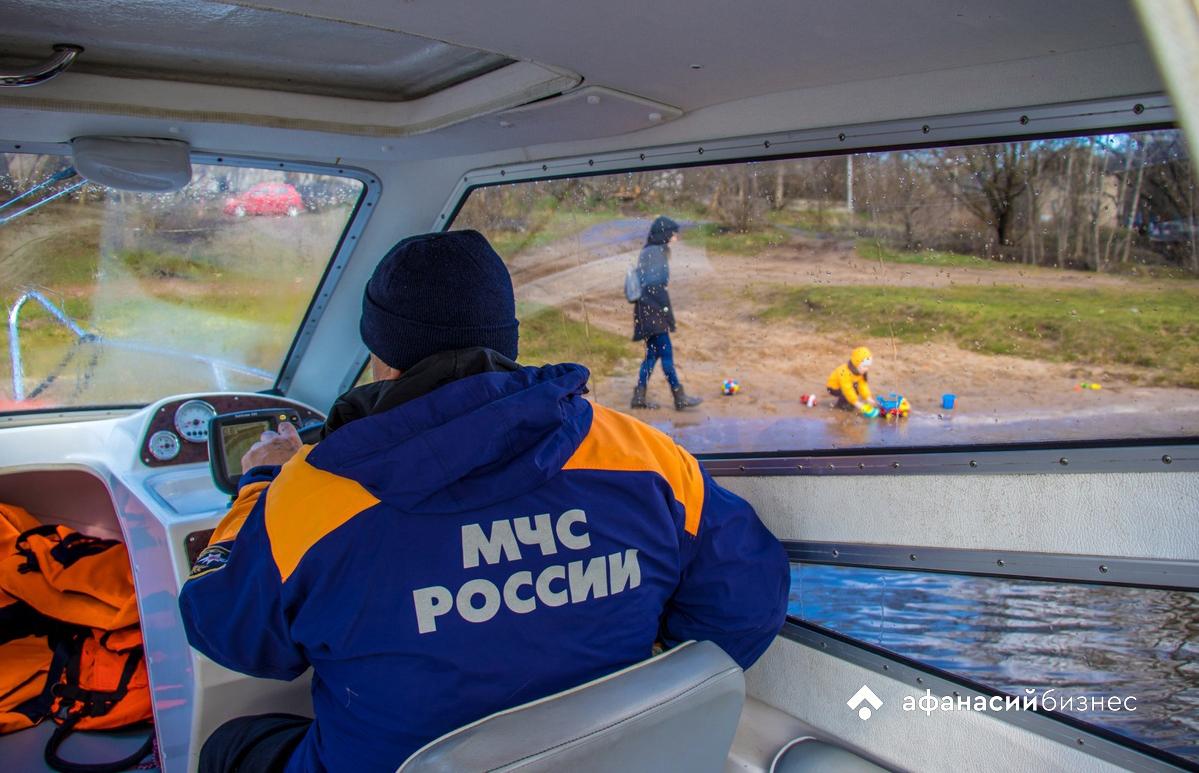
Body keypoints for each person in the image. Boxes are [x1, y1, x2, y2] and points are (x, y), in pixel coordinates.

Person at [178, 230, 790, 773]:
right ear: (505, 338)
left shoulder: (310, 497)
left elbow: (227, 633)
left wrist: (258, 486)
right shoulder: (644, 457)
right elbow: (746, 600)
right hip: (607, 757)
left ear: (381, 355)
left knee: (232, 745)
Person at [630, 216, 703, 411]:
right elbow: (655, 288)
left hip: (645, 310)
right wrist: (668, 316)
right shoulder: (656, 253)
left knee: (652, 356)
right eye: (673, 234)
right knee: (667, 355)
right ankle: (679, 397)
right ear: (665, 234)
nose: (676, 238)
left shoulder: (649, 251)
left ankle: (639, 396)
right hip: (654, 311)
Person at [827, 346, 879, 417]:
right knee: (847, 393)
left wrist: (868, 398)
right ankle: (841, 405)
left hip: (846, 385)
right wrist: (857, 403)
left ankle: (848, 401)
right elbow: (847, 389)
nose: (866, 369)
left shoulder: (860, 372)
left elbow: (863, 385)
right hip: (833, 387)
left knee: (855, 389)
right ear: (856, 364)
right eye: (864, 366)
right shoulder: (844, 372)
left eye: (868, 366)